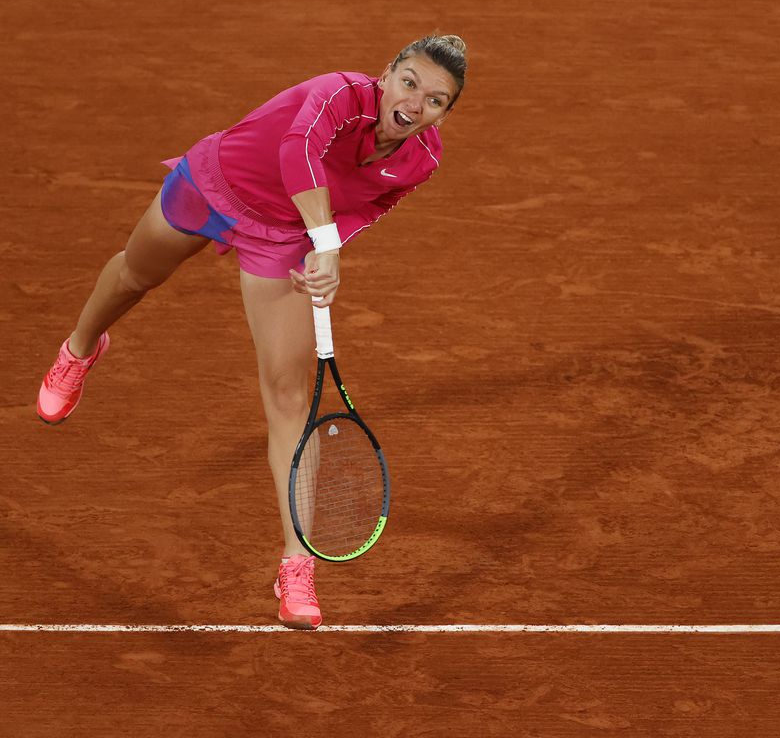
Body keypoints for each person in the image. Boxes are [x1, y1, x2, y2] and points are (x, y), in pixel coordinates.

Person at [36, 34, 468, 629]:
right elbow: (300, 154)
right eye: (410, 82)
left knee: (290, 397)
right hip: (216, 184)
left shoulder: (422, 160)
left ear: (446, 114)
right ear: (387, 73)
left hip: (283, 236)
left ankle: (297, 565)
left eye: (436, 100)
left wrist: (330, 246)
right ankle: (79, 349)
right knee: (137, 275)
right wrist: (324, 238)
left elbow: (370, 205)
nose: (416, 104)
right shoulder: (337, 95)